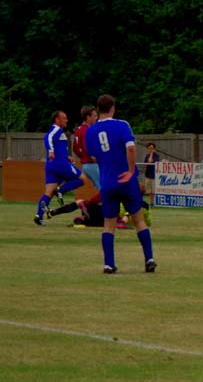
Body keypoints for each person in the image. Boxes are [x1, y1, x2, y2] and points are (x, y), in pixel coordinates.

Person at [86, 94, 156, 274]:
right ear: (113, 108)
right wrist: (131, 170)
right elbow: (130, 148)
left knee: (109, 225)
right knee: (139, 220)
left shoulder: (91, 131)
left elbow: (93, 156)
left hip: (108, 182)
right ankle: (149, 259)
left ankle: (109, 264)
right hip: (126, 180)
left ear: (98, 110)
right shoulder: (122, 125)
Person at [34, 110, 91, 226]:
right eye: (64, 118)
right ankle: (61, 190)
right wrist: (51, 151)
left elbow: (57, 147)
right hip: (61, 164)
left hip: (51, 166)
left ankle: (38, 216)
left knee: (49, 192)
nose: (66, 120)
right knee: (82, 179)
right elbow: (47, 137)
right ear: (57, 120)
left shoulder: (59, 132)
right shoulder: (56, 129)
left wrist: (66, 156)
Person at [72, 105, 101, 189]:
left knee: (102, 189)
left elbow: (75, 149)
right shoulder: (88, 130)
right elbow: (89, 148)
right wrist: (96, 159)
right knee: (106, 188)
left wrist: (83, 157)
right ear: (88, 117)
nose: (96, 118)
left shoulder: (78, 129)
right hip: (92, 164)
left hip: (85, 165)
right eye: (94, 116)